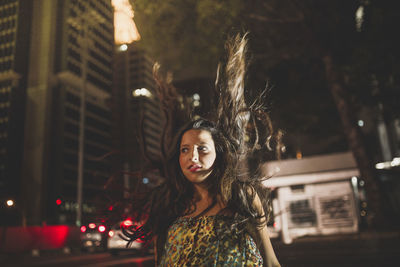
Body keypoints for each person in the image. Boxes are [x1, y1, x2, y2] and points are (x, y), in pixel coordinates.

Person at [123, 33, 281, 267]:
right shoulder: (169, 204)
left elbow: (270, 261)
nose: (192, 157)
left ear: (218, 154)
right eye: (184, 150)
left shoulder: (241, 196)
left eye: (202, 149)